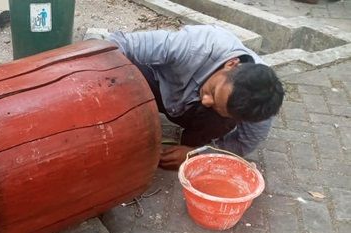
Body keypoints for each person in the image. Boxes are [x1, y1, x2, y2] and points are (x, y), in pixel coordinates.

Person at [105, 25, 285, 170]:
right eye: (213, 92)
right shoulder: (197, 44)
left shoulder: (261, 106)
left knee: (221, 122)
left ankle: (187, 146)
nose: (206, 102)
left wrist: (196, 154)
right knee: (123, 71)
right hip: (157, 84)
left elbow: (242, 144)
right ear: (231, 64)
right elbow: (122, 43)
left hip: (191, 115)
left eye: (216, 105)